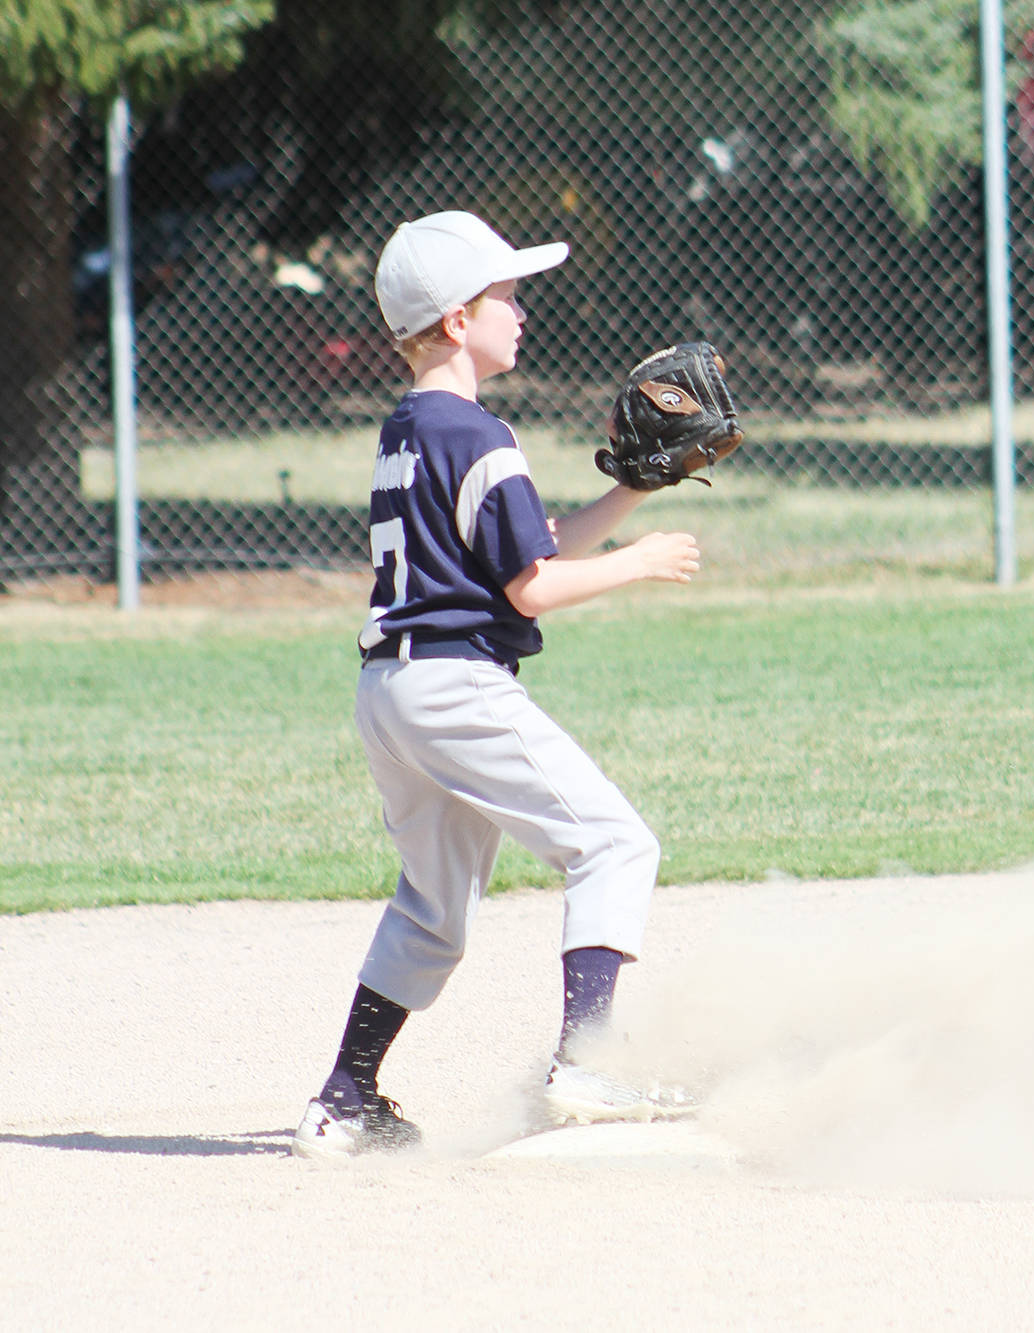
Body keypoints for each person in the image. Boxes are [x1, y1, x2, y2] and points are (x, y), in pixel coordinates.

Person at [293, 211, 705, 1158]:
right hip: (452, 687)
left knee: (433, 908)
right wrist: (640, 559)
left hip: (389, 693)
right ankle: (584, 1060)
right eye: (504, 296)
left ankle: (346, 1097)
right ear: (453, 323)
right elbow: (533, 584)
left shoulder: (410, 429)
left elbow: (526, 545)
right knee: (612, 844)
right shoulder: (482, 434)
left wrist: (634, 488)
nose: (519, 312)